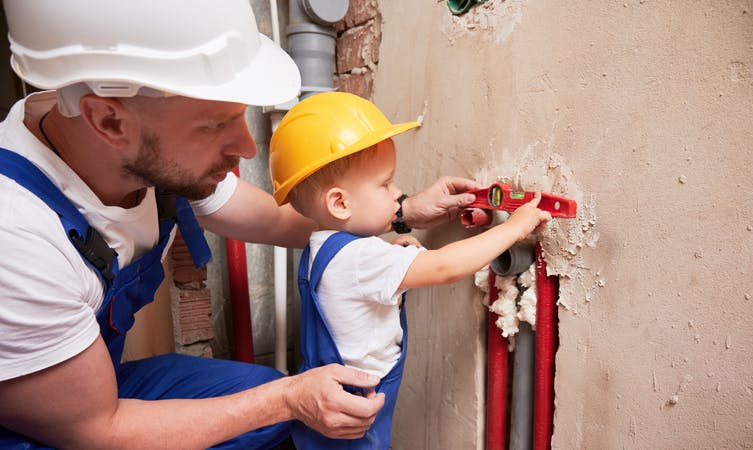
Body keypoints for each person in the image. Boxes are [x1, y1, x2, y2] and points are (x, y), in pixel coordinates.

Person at [0, 1, 482, 448]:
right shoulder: (17, 237)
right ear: (109, 121)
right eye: (214, 125)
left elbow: (278, 220)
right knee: (281, 402)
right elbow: (96, 428)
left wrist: (401, 211)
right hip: (52, 423)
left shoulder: (130, 150)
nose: (247, 148)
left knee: (273, 402)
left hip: (92, 385)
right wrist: (291, 398)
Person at [267, 92, 553, 449]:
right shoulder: (364, 260)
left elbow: (356, 279)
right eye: (386, 184)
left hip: (331, 401)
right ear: (340, 202)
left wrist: (390, 253)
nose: (398, 193)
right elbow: (446, 266)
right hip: (355, 415)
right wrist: (514, 227)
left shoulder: (323, 246)